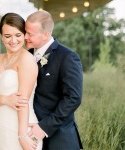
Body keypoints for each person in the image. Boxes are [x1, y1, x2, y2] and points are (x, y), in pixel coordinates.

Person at [25, 10, 83, 149]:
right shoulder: (25, 56)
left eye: (30, 34)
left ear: (46, 34)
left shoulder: (67, 57)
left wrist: (44, 127)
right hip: (28, 135)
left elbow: (73, 98)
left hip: (59, 138)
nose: (25, 37)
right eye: (25, 32)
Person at [0, 13, 41, 150]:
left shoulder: (26, 59)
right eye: (8, 36)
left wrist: (22, 136)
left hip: (22, 127)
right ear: (2, 37)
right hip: (2, 127)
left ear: (24, 35)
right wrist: (5, 100)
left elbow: (23, 101)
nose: (13, 40)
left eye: (18, 35)